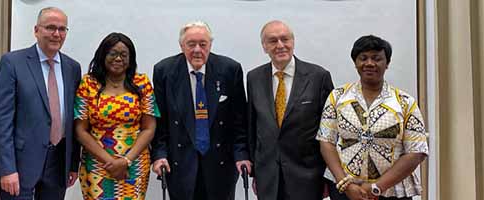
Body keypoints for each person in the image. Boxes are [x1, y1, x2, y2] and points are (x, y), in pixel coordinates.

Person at [317, 35, 428, 200]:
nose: (369, 63)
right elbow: (326, 141)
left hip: (391, 192)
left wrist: (376, 187)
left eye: (377, 58)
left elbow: (416, 151)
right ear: (355, 62)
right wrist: (345, 184)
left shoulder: (404, 102)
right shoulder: (338, 97)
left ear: (387, 63)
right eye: (363, 58)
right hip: (345, 190)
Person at [151, 21, 250, 200]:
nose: (197, 49)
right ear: (181, 46)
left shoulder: (229, 70)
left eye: (203, 44)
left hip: (220, 164)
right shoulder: (164, 71)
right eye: (191, 44)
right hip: (180, 163)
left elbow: (239, 121)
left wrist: (242, 154)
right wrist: (159, 154)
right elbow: (160, 121)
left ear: (210, 45)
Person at [0, 7, 81, 200]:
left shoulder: (72, 68)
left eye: (62, 29)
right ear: (36, 30)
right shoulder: (13, 62)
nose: (57, 34)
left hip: (58, 164)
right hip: (20, 165)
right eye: (50, 27)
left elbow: (73, 121)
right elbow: (1, 121)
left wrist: (73, 164)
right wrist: (6, 169)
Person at [246, 20, 334, 200]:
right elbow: (253, 127)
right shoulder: (254, 78)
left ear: (293, 42)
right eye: (272, 41)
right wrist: (256, 172)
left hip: (308, 177)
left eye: (285, 39)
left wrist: (329, 176)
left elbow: (331, 130)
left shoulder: (318, 77)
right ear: (264, 46)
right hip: (268, 177)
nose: (280, 45)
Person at [74, 32, 160, 200]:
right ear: (102, 55)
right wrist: (111, 162)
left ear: (131, 58)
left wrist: (126, 160)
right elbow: (80, 130)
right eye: (112, 53)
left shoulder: (142, 83)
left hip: (134, 165)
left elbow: (149, 128)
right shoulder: (88, 84)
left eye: (124, 54)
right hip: (98, 165)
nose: (118, 58)